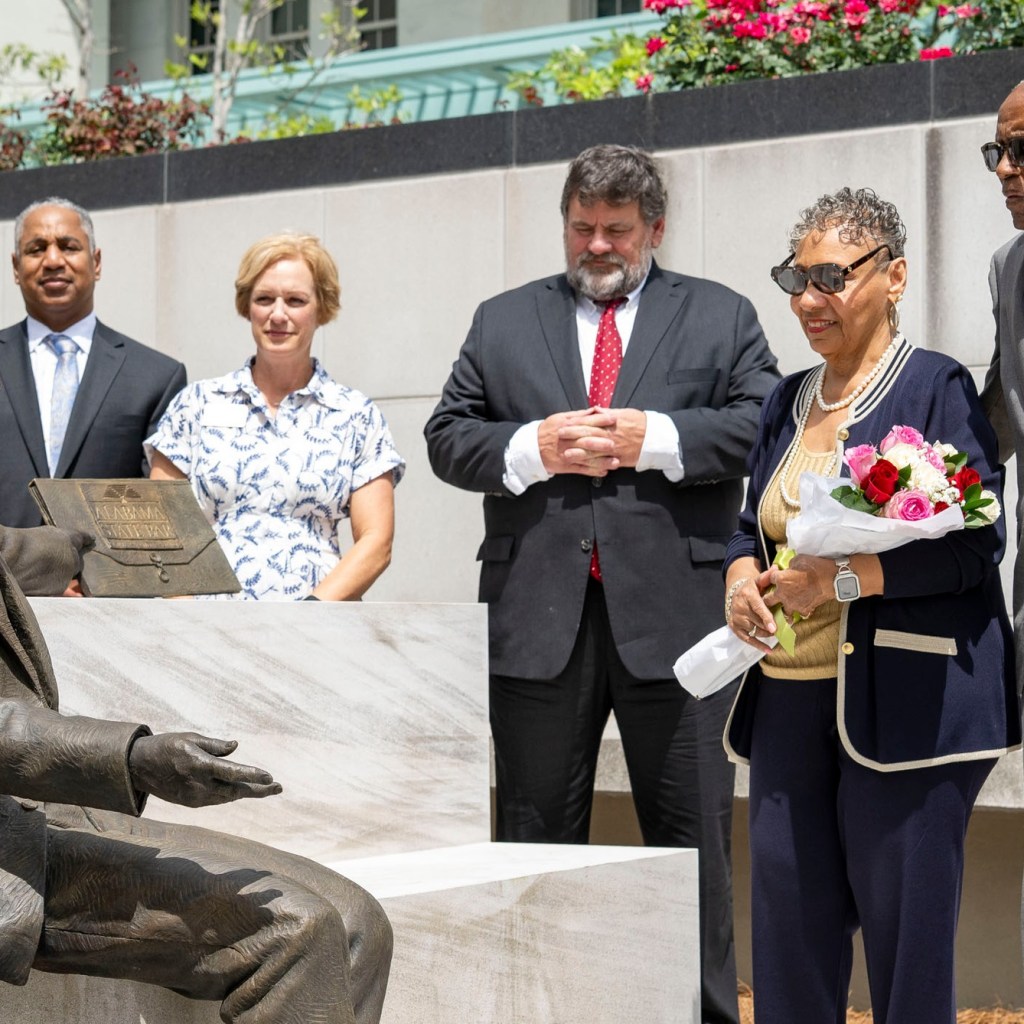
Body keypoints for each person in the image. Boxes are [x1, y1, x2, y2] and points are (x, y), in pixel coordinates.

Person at [424, 143, 780, 1024]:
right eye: (581, 227)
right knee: (534, 852)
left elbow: (761, 426)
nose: (596, 245)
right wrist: (531, 447)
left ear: (655, 228)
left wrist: (651, 438)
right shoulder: (502, 320)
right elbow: (446, 437)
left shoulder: (722, 314)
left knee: (692, 859)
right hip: (536, 625)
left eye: (616, 229)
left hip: (680, 626)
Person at [723, 186, 1020, 1024]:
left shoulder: (935, 387)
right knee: (788, 940)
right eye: (796, 278)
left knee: (905, 953)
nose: (807, 299)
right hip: (787, 703)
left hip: (909, 710)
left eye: (830, 277)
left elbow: (975, 546)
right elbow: (749, 526)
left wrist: (840, 581)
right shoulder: (785, 399)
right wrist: (740, 579)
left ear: (893, 276)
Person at [0, 523, 393, 1023]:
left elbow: (14, 551)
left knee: (359, 920)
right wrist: (131, 758)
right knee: (298, 929)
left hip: (38, 810)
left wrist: (82, 540)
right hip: (12, 855)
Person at [146, 233, 404, 601]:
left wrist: (310, 616)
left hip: (319, 625)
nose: (278, 315)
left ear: (321, 308)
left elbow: (376, 541)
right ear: (247, 306)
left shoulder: (355, 415)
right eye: (264, 299)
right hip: (203, 623)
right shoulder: (195, 405)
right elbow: (159, 529)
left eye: (296, 301)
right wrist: (190, 619)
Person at [0, 197, 186, 529]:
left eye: (68, 247)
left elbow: (160, 512)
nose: (53, 260)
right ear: (16, 267)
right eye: (36, 249)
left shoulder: (156, 378)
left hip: (103, 564)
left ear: (96, 262)